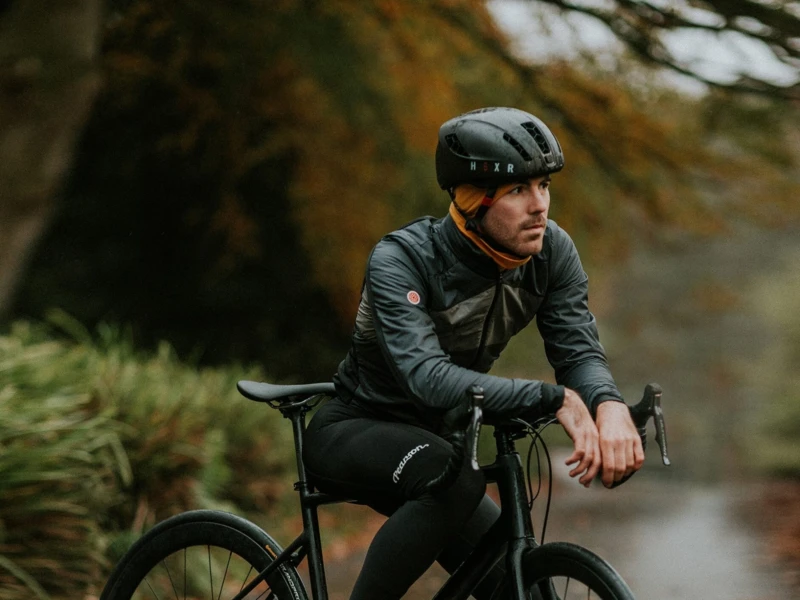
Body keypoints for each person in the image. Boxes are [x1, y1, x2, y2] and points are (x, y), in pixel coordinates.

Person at [303, 107, 644, 600]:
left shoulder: (551, 254)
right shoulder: (402, 260)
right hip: (356, 428)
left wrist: (607, 405)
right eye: (517, 190)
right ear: (472, 201)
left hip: (442, 441)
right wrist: (555, 400)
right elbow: (427, 377)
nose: (539, 206)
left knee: (509, 582)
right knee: (459, 482)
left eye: (544, 185)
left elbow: (577, 351)